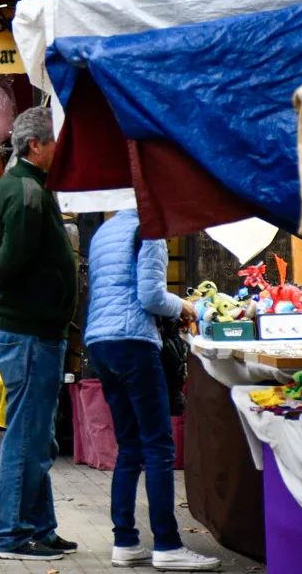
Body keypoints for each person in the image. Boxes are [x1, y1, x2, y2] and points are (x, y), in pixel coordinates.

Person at [84, 210, 218, 571]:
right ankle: (168, 545)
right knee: (159, 446)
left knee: (129, 447)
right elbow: (151, 296)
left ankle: (125, 541)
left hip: (101, 341)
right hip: (133, 341)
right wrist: (185, 305)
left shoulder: (105, 230)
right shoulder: (151, 231)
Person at [0, 107, 79, 562]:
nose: (61, 148)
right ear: (35, 145)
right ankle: (12, 535)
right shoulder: (26, 192)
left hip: (32, 330)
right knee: (27, 437)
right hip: (28, 331)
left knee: (37, 436)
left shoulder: (22, 186)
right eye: (55, 140)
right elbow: (9, 259)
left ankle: (39, 526)